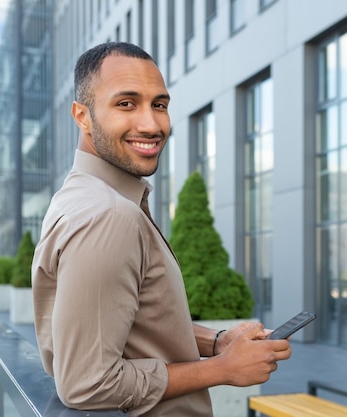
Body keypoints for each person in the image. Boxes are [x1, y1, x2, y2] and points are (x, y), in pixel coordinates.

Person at [31, 41, 291, 416]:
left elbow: (123, 324)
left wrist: (215, 342)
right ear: (82, 116)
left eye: (160, 105)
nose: (152, 125)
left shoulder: (83, 196)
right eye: (126, 104)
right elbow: (87, 384)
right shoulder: (108, 215)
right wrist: (222, 369)